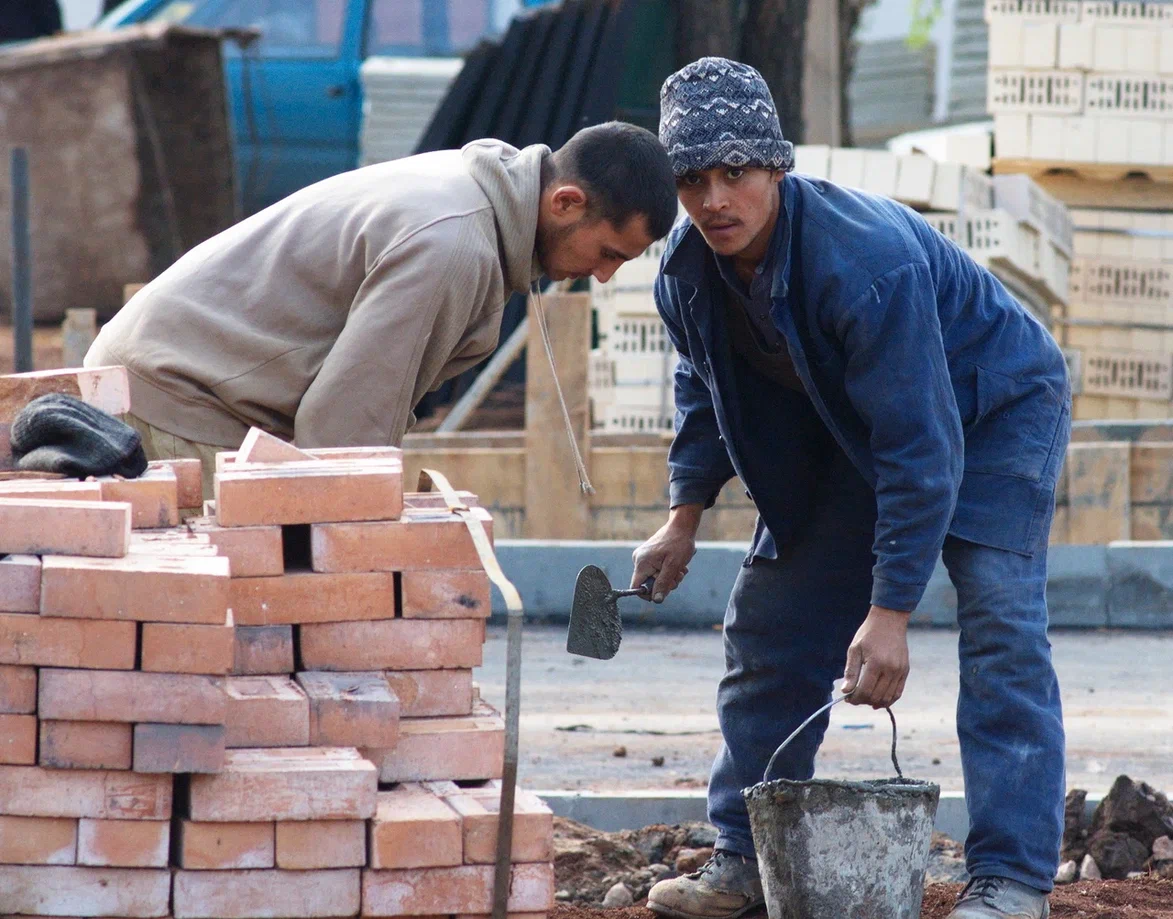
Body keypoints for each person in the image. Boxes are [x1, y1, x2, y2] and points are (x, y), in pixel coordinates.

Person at [634, 58, 1069, 919]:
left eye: (735, 172)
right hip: (855, 422)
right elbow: (703, 388)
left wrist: (889, 611)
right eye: (691, 180)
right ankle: (746, 858)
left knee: (999, 626)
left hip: (994, 408)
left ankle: (1012, 879)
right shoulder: (687, 270)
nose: (714, 200)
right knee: (770, 623)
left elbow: (922, 448)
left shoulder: (864, 262)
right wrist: (682, 515)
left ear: (776, 167)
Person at [86, 122, 678, 496]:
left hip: (159, 379)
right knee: (256, 619)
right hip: (173, 404)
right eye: (608, 253)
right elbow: (343, 432)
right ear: (566, 202)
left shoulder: (475, 189)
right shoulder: (454, 246)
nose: (604, 275)